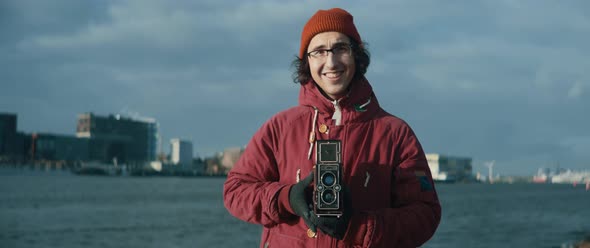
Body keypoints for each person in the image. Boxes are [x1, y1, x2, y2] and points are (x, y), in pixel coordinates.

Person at [224, 7, 441, 248]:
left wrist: (359, 227)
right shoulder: (280, 127)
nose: (331, 61)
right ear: (306, 61)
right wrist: (286, 197)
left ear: (356, 55)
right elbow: (235, 191)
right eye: (319, 51)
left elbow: (425, 214)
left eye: (341, 48)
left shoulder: (395, 134)